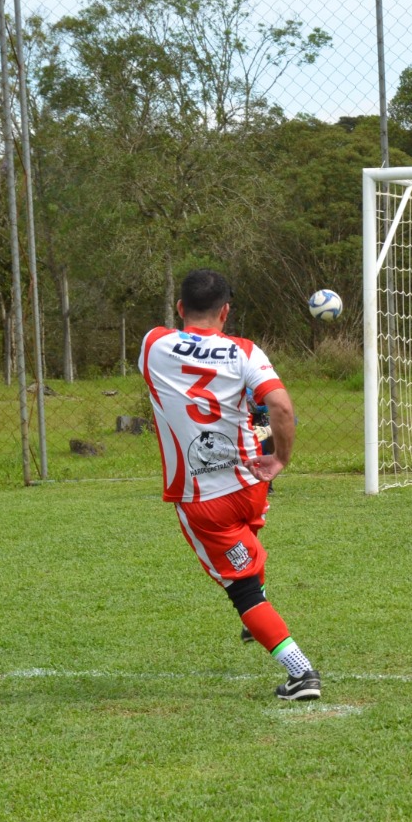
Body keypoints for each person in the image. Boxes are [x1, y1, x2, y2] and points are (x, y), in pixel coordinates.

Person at [138, 268, 322, 701]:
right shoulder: (245, 351)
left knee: (241, 589)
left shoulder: (153, 344)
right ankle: (255, 611)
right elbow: (279, 404)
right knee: (248, 551)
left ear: (181, 308)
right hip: (250, 483)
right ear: (226, 312)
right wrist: (280, 458)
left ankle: (302, 674)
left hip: (202, 499)